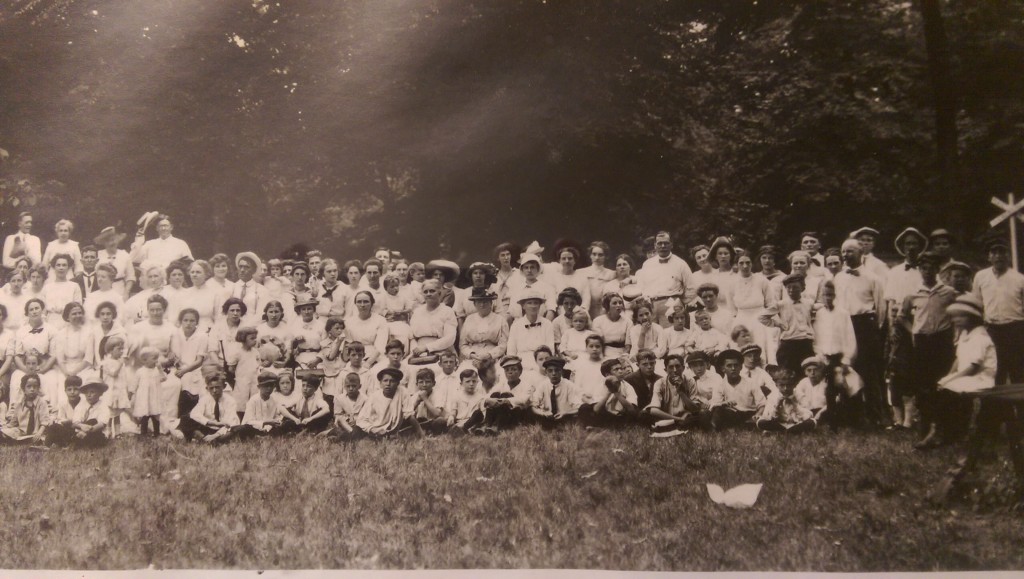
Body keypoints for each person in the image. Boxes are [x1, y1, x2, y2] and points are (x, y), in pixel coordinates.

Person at [897, 251, 956, 440]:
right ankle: (925, 428)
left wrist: (954, 335)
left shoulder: (948, 292)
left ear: (938, 270)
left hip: (943, 341)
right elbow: (901, 316)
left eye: (931, 268)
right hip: (922, 342)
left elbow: (958, 314)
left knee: (944, 383)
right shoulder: (913, 293)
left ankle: (945, 428)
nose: (927, 271)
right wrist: (913, 330)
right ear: (919, 270)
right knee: (923, 386)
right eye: (923, 268)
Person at [833, 239, 887, 426]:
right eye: (844, 251)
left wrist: (873, 329)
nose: (846, 255)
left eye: (850, 251)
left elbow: (881, 308)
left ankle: (876, 416)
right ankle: (851, 416)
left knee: (869, 371)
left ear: (861, 252)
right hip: (843, 324)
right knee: (846, 368)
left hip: (864, 325)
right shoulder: (838, 277)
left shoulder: (873, 278)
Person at [971, 237, 1024, 385]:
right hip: (992, 330)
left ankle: (1020, 408)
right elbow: (977, 305)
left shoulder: (1019, 279)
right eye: (994, 252)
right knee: (994, 371)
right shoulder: (980, 276)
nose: (998, 256)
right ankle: (998, 408)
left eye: (1002, 252)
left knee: (1018, 372)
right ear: (989, 256)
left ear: (1008, 256)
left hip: (1015, 330)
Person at [637, 231, 696, 326]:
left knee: (670, 337)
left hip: (671, 306)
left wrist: (679, 303)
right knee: (652, 337)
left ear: (671, 245)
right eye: (659, 243)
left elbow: (691, 288)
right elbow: (641, 286)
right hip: (651, 307)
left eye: (666, 243)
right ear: (655, 245)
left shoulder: (680, 264)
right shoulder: (647, 264)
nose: (663, 246)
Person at [761, 273, 815, 375]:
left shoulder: (809, 303)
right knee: (788, 374)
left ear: (802, 288)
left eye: (795, 287)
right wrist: (778, 324)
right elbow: (762, 317)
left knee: (806, 374)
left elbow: (814, 316)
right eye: (788, 288)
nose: (791, 290)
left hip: (805, 344)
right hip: (788, 345)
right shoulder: (781, 304)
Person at [178, 365, 240, 443]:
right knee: (185, 419)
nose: (214, 390)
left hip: (223, 429)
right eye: (211, 388)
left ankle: (214, 440)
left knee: (236, 428)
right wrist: (212, 423)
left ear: (223, 387)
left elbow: (230, 422)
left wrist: (216, 435)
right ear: (207, 388)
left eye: (217, 387)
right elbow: (194, 414)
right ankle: (204, 439)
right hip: (209, 427)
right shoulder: (205, 399)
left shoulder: (230, 401)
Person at [709, 349, 765, 430]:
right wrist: (724, 403)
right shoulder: (720, 385)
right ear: (723, 369)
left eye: (736, 365)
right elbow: (715, 404)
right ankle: (714, 429)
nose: (733, 368)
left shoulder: (751, 382)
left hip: (748, 413)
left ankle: (719, 428)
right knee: (710, 412)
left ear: (741, 367)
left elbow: (762, 404)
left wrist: (758, 414)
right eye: (729, 366)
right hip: (730, 414)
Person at [645, 354, 701, 432]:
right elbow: (653, 410)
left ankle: (669, 426)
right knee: (645, 415)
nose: (674, 370)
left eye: (678, 366)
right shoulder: (660, 383)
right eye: (671, 367)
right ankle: (674, 424)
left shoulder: (690, 381)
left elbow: (695, 409)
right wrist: (678, 419)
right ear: (665, 370)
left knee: (698, 416)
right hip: (667, 416)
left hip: (685, 416)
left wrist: (681, 392)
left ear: (683, 368)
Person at [505, 289, 555, 374]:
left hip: (541, 362)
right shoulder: (516, 325)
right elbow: (511, 351)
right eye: (529, 303)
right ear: (523, 306)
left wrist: (543, 363)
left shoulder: (547, 324)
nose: (533, 306)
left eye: (536, 303)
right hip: (521, 362)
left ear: (540, 306)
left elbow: (550, 350)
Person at [408, 280, 458, 364]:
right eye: (425, 292)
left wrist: (427, 347)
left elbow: (450, 337)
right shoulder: (417, 312)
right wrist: (416, 350)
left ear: (439, 293)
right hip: (419, 352)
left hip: (442, 351)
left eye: (432, 291)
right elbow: (412, 336)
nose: (428, 294)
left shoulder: (447, 311)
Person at [756, 367, 817, 433]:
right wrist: (777, 405)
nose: (785, 388)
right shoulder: (773, 396)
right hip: (779, 423)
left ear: (794, 385)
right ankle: (786, 430)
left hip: (796, 423)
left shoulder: (799, 395)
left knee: (813, 422)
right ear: (776, 385)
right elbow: (767, 416)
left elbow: (809, 415)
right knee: (760, 422)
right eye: (782, 385)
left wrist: (795, 405)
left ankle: (786, 430)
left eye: (789, 385)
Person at [459, 288, 509, 364]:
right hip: (473, 356)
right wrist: (471, 354)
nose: (482, 305)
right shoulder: (469, 319)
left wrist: (490, 355)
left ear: (491, 303)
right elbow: (463, 344)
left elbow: (503, 344)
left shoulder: (500, 320)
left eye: (485, 302)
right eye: (479, 302)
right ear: (474, 304)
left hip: (493, 356)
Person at [353, 367, 406, 438]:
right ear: (380, 383)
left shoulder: (402, 392)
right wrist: (373, 429)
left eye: (392, 381)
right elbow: (361, 419)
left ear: (397, 383)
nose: (388, 384)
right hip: (373, 427)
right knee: (355, 434)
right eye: (385, 381)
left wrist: (421, 434)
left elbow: (409, 413)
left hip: (391, 429)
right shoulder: (374, 397)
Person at [529, 356, 581, 426]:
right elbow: (533, 406)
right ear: (546, 372)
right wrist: (544, 413)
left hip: (565, 417)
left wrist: (565, 413)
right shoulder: (542, 385)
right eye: (550, 371)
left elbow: (578, 407)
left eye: (557, 370)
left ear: (562, 371)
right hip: (547, 417)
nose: (553, 373)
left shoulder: (569, 385)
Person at [505, 252, 557, 321]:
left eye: (532, 267)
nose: (529, 270)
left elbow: (551, 311)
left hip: (540, 324)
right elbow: (510, 313)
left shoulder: (548, 288)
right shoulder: (516, 289)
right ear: (522, 270)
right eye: (526, 268)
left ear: (538, 269)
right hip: (519, 326)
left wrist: (545, 326)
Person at [235, 371, 287, 439]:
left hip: (269, 428)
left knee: (286, 424)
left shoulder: (274, 400)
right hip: (255, 428)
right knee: (243, 429)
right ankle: (260, 437)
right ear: (259, 387)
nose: (269, 389)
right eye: (266, 386)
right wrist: (265, 422)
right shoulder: (253, 400)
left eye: (271, 386)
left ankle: (266, 436)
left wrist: (277, 421)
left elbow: (276, 415)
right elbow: (248, 421)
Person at [2, 373, 52, 444]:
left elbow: (44, 422)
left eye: (35, 387)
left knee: (40, 439)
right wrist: (5, 428)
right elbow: (13, 422)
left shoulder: (42, 403)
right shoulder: (19, 403)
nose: (32, 389)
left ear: (38, 388)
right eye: (29, 387)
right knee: (5, 433)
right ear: (23, 389)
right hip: (21, 433)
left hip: (36, 433)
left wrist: (39, 433)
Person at [345, 290, 389, 368]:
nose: (362, 305)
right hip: (356, 357)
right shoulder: (349, 322)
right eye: (359, 302)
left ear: (372, 303)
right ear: (355, 304)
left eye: (366, 302)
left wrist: (368, 363)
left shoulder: (380, 320)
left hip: (376, 357)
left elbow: (380, 347)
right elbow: (348, 345)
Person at [94, 227, 137, 299]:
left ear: (117, 240)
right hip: (101, 289)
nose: (111, 243)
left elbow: (130, 277)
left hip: (120, 290)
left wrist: (126, 293)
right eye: (108, 241)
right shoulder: (98, 255)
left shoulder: (124, 255)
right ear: (103, 243)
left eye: (113, 240)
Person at [131, 346, 165, 436]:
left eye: (157, 358)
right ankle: (143, 433)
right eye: (154, 359)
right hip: (144, 398)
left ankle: (157, 433)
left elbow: (163, 379)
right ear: (144, 360)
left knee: (156, 415)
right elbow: (134, 384)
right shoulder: (140, 371)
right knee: (144, 416)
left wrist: (161, 370)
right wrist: (131, 393)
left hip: (154, 397)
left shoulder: (157, 370)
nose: (156, 361)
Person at [403, 367, 448, 434]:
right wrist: (417, 401)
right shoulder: (415, 395)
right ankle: (423, 432)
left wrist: (425, 399)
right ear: (417, 384)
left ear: (434, 383)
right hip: (419, 423)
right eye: (421, 382)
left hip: (432, 421)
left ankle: (430, 432)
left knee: (441, 421)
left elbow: (437, 414)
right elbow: (408, 413)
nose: (424, 385)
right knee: (406, 422)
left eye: (427, 382)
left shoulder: (438, 394)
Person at [40, 254, 81, 327]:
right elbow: (43, 311)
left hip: (69, 322)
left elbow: (78, 308)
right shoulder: (47, 287)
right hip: (50, 322)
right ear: (53, 267)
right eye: (58, 265)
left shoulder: (74, 286)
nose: (61, 268)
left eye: (64, 265)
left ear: (68, 267)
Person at [231, 252, 270, 327]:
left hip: (253, 329)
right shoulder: (231, 287)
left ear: (254, 270)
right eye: (240, 266)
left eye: (246, 267)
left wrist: (245, 327)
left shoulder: (262, 290)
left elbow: (261, 315)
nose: (242, 270)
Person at [580, 241, 616, 319]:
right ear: (590, 255)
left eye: (600, 255)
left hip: (603, 310)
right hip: (586, 309)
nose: (597, 257)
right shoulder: (581, 272)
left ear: (606, 256)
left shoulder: (611, 274)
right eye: (594, 254)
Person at [592, 293, 632, 359]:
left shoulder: (628, 322)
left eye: (620, 303)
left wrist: (624, 356)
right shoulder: (598, 321)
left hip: (621, 353)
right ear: (607, 306)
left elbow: (628, 345)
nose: (618, 305)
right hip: (603, 353)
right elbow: (597, 343)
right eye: (614, 303)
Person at [331, 372, 368, 436]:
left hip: (359, 424)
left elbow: (366, 415)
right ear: (344, 386)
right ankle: (351, 433)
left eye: (354, 386)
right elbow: (338, 415)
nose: (351, 389)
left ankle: (349, 435)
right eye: (348, 386)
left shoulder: (365, 399)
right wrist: (347, 421)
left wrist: (356, 421)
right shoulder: (339, 399)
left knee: (362, 427)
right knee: (340, 420)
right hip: (344, 425)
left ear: (360, 386)